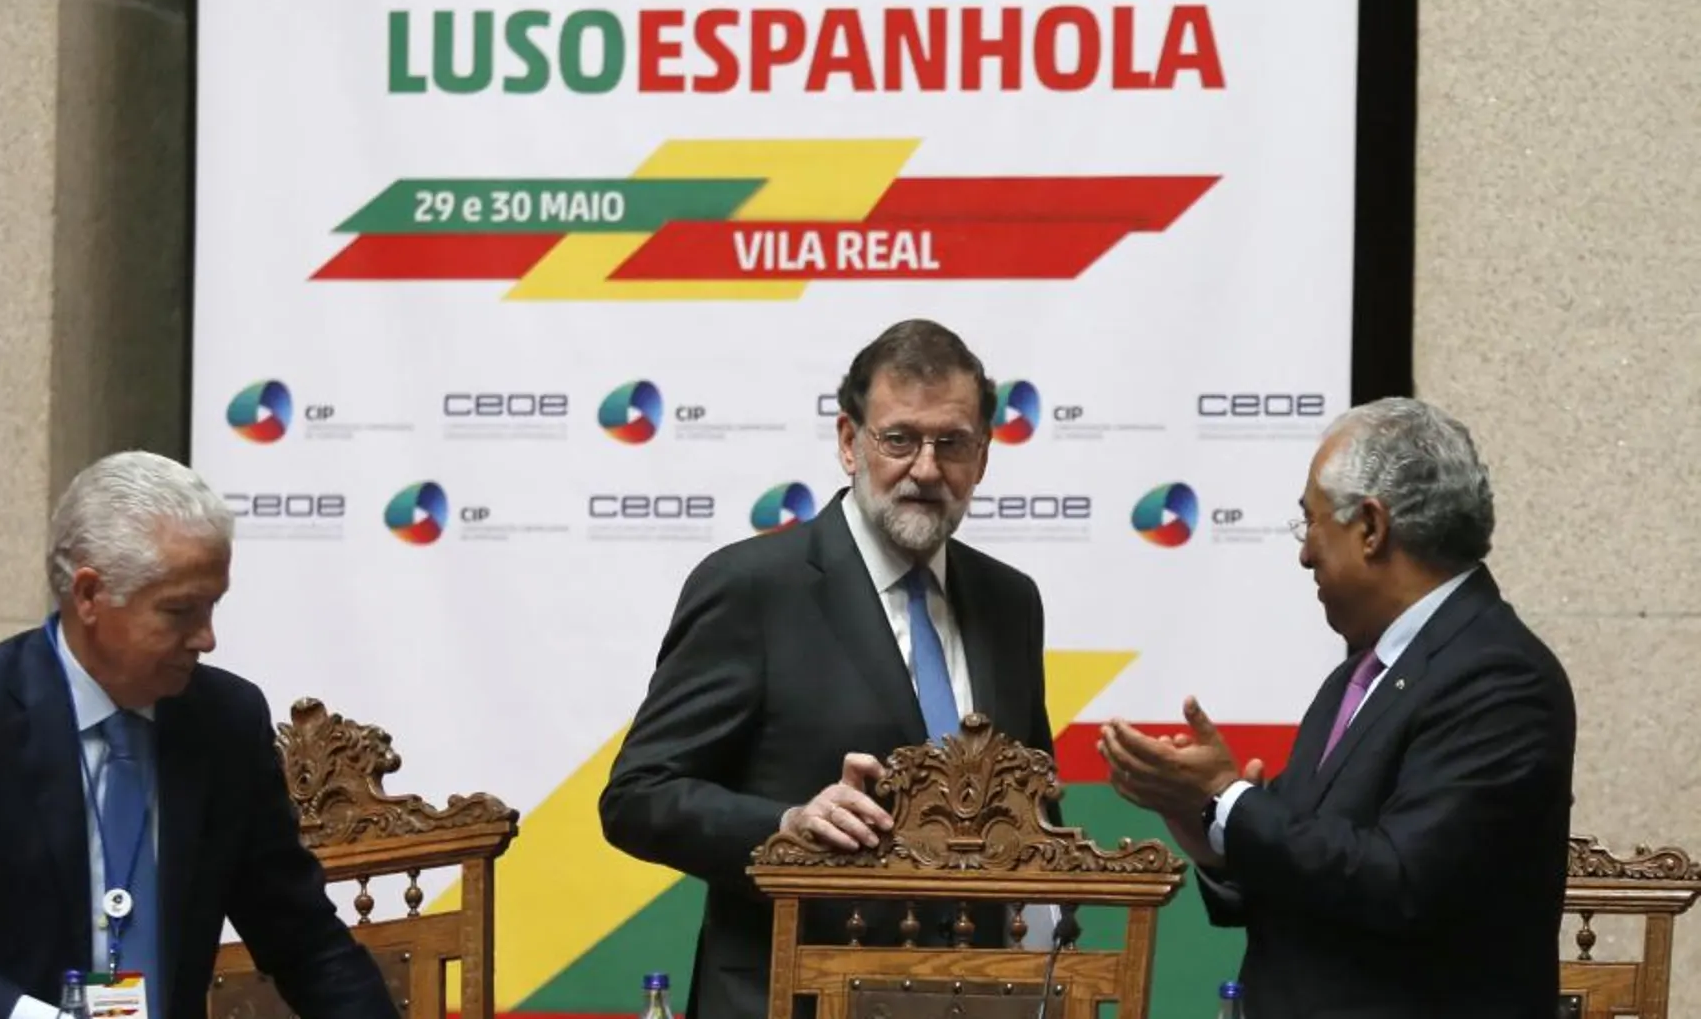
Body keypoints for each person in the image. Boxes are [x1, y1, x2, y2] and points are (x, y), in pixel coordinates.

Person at [0, 451, 396, 1019]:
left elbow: (303, 940)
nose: (207, 638)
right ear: (90, 595)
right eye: (181, 611)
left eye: (213, 606)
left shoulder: (223, 721)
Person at [600, 319, 1059, 1019]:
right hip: (789, 993)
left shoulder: (1010, 600)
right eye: (899, 439)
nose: (927, 469)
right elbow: (637, 796)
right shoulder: (753, 588)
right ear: (850, 442)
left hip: (978, 995)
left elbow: (1034, 800)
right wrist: (787, 822)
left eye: (952, 443)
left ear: (984, 455)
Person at [1097, 397, 1576, 1019]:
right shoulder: (1358, 675)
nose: (1304, 554)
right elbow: (1312, 867)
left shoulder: (1500, 678)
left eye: (1311, 522)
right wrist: (1210, 826)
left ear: (1371, 527)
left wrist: (1230, 797)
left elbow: (1401, 883)